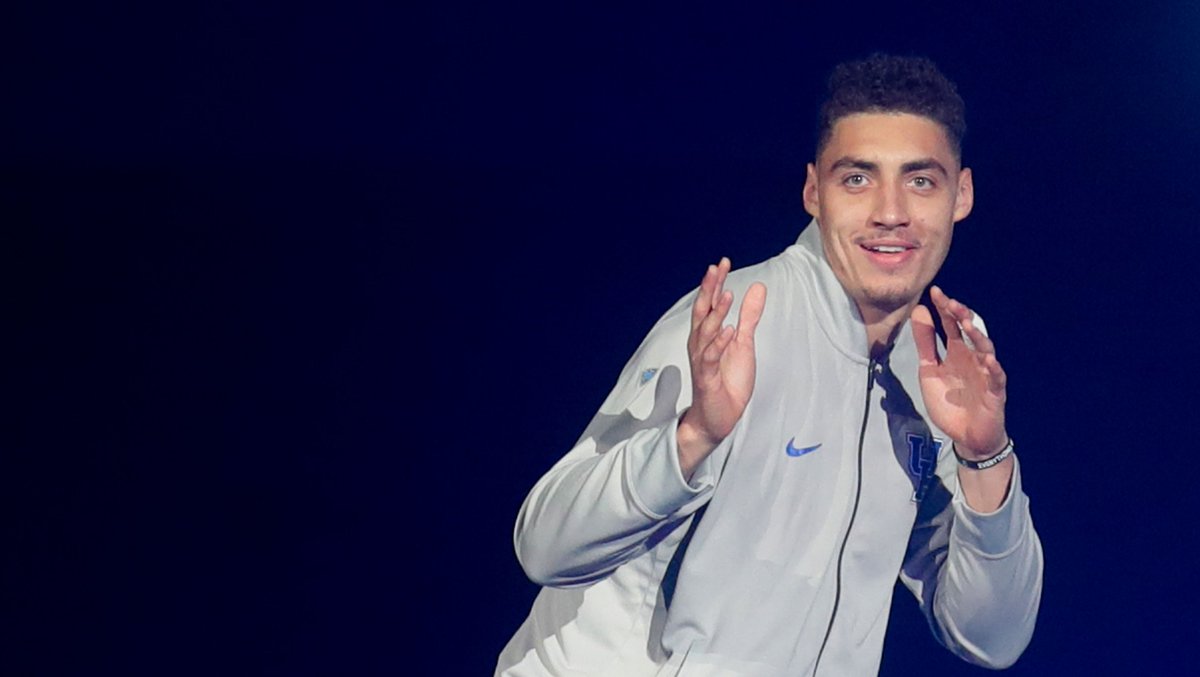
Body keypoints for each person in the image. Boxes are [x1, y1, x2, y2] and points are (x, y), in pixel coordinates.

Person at [496, 53, 1043, 676]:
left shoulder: (934, 377)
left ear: (961, 195)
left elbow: (991, 638)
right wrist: (693, 437)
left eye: (920, 181)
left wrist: (985, 456)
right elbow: (544, 549)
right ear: (814, 192)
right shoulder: (730, 327)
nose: (890, 211)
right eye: (857, 179)